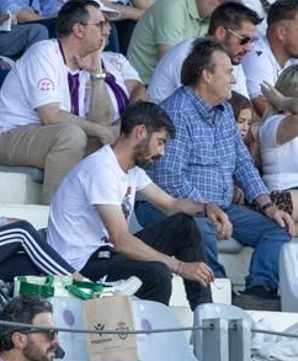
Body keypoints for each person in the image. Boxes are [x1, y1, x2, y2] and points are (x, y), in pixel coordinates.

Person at [148, 38, 297, 310]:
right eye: (227, 72)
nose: (233, 80)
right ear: (206, 75)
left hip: (220, 206)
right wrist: (207, 208)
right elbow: (169, 179)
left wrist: (268, 206)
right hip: (173, 206)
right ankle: (220, 294)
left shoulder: (225, 111)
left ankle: (258, 294)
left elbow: (243, 162)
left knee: (278, 229)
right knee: (199, 224)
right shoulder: (176, 111)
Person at [45, 101, 216, 307]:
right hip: (79, 268)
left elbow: (171, 205)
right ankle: (150, 335)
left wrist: (207, 208)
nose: (162, 153)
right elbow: (121, 240)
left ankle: (207, 317)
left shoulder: (131, 170)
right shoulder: (101, 169)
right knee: (157, 273)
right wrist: (179, 266)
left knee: (183, 226)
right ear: (141, 132)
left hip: (106, 254)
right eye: (160, 142)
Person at [0, 0, 130, 203]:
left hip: (48, 136)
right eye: (100, 24)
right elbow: (50, 116)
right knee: (71, 135)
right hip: (8, 135)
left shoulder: (85, 62)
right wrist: (100, 131)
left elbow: (103, 124)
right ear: (78, 30)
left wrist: (97, 73)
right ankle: (55, 215)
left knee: (120, 135)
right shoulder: (44, 52)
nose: (107, 30)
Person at [126, 0, 242, 83]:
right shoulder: (173, 6)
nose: (225, 11)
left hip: (179, 84)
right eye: (221, 1)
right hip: (146, 87)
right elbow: (170, 67)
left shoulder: (210, 14)